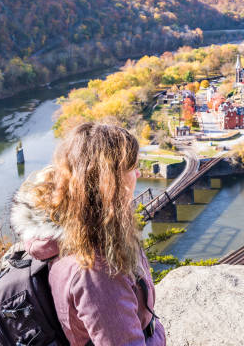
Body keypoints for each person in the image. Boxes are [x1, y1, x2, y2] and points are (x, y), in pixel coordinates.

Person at [10, 122, 166, 345]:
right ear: (108, 182)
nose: (138, 173)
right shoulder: (97, 270)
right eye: (132, 167)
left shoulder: (83, 232)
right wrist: (158, 332)